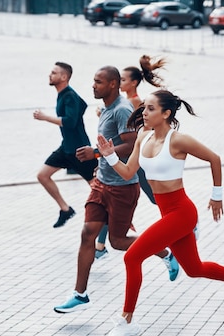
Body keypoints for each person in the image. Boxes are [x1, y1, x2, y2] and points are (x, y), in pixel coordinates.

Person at [96, 90, 224, 336]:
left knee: (132, 257)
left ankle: (126, 321)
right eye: (144, 108)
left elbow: (214, 158)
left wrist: (216, 196)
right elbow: (129, 170)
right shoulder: (143, 135)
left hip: (182, 213)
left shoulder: (178, 141)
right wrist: (109, 156)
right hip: (168, 213)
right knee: (194, 269)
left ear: (166, 113)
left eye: (150, 109)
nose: (144, 113)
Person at [53, 66, 179, 314]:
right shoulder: (108, 109)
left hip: (122, 188)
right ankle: (80, 294)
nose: (93, 85)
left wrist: (96, 153)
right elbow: (110, 143)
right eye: (93, 80)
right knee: (87, 234)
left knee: (119, 241)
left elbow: (132, 144)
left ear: (112, 85)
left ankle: (166, 253)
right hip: (102, 183)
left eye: (98, 82)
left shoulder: (121, 110)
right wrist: (98, 164)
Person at [95, 55, 167, 260]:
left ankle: (181, 225)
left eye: (124, 80)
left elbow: (133, 132)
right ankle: (100, 245)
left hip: (134, 158)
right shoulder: (121, 104)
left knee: (154, 197)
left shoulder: (131, 103)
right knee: (107, 203)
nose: (121, 83)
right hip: (121, 161)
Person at [34, 62, 98, 228]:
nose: (50, 75)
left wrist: (45, 117)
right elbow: (82, 105)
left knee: (96, 187)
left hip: (80, 150)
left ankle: (116, 217)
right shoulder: (64, 94)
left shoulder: (69, 96)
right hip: (66, 148)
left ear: (64, 77)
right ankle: (65, 209)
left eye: (54, 73)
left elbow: (69, 122)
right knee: (42, 175)